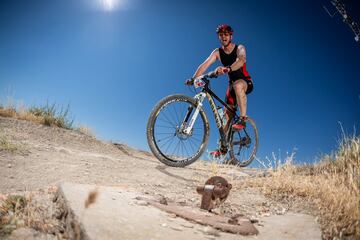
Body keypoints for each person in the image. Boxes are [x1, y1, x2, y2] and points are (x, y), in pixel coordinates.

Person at [187, 24, 254, 157]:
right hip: (231, 86)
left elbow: (241, 60)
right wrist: (193, 78)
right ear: (219, 36)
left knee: (238, 85)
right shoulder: (217, 52)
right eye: (221, 34)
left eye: (226, 34)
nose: (223, 36)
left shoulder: (239, 48)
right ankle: (223, 148)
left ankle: (242, 119)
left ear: (231, 36)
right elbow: (205, 65)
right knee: (225, 118)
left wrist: (228, 68)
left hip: (245, 81)